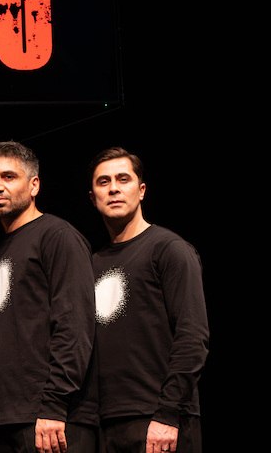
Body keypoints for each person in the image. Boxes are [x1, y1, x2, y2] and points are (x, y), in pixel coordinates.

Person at [87, 146, 209, 453]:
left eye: (123, 179)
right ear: (93, 197)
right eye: (103, 182)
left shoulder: (168, 249)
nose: (113, 188)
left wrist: (168, 412)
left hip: (160, 420)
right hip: (105, 422)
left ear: (141, 191)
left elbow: (193, 335)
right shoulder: (91, 263)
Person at [0, 141, 97, 453]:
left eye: (8, 177)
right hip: (6, 419)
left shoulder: (57, 236)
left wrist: (54, 405)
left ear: (34, 185)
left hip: (53, 418)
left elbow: (75, 325)